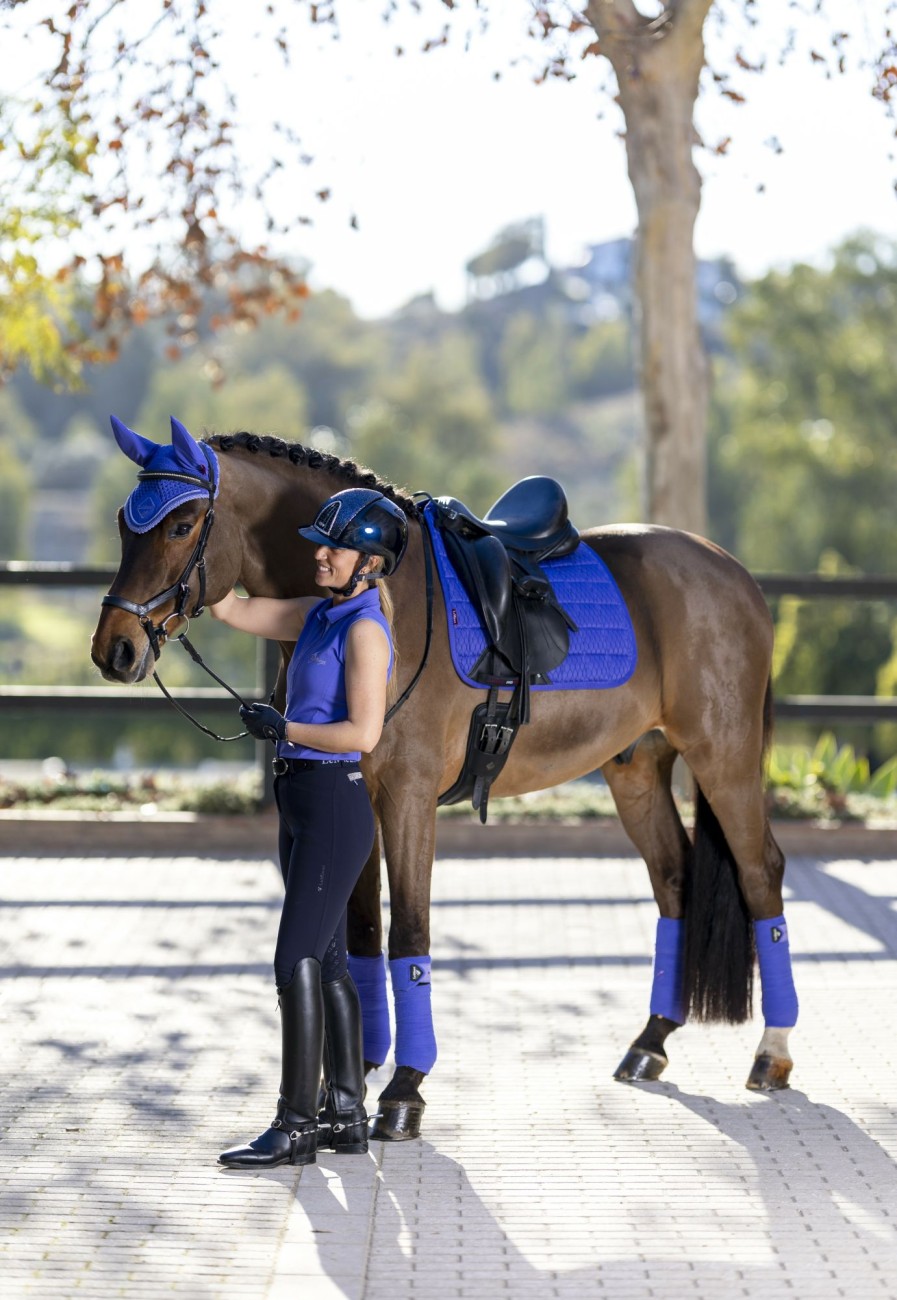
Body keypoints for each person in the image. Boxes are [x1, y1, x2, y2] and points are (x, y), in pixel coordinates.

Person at [210, 487, 408, 1169]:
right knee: (323, 959)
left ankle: (295, 1125)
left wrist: (283, 727)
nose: (318, 554)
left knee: (291, 956)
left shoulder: (362, 629)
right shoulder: (318, 614)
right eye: (319, 543)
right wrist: (206, 556)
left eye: (334, 546)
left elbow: (363, 732)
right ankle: (346, 1113)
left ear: (371, 564)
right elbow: (235, 608)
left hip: (331, 798)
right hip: (299, 797)